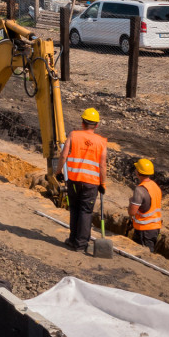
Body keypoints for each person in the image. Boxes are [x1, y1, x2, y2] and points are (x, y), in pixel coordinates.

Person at [56, 108, 108, 252]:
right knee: (86, 212)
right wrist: (102, 184)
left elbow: (63, 155)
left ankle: (73, 240)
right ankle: (81, 244)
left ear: (82, 122)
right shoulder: (102, 142)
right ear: (96, 125)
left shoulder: (73, 135)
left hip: (73, 180)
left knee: (74, 210)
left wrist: (58, 172)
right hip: (91, 184)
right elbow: (102, 165)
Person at [128, 158, 162, 251]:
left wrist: (131, 202)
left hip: (144, 230)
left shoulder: (140, 190)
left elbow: (132, 212)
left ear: (138, 172)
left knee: (142, 257)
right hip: (155, 228)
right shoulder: (154, 186)